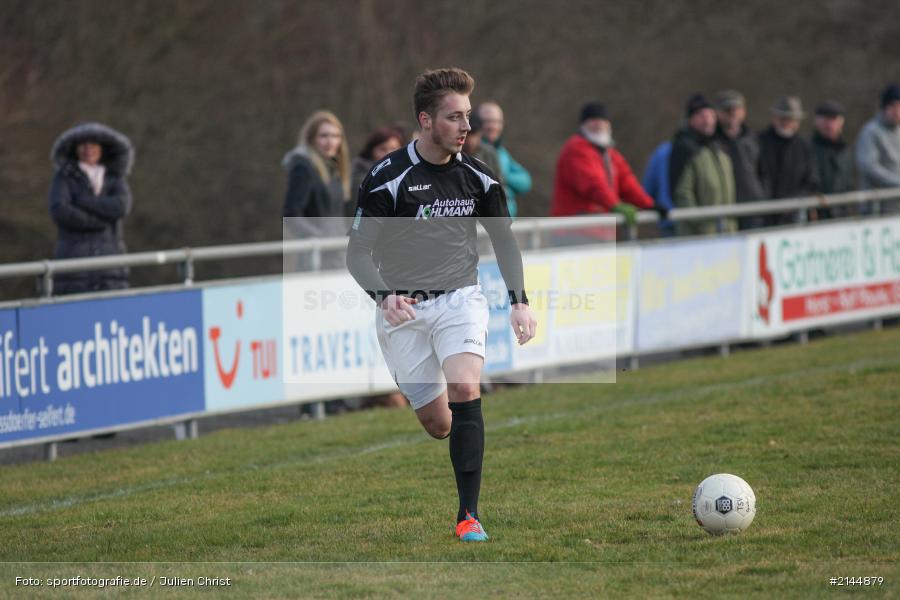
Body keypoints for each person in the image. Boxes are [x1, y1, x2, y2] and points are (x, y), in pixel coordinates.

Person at [347, 68, 537, 542]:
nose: (465, 126)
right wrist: (384, 295)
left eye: (468, 116)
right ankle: (462, 440)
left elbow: (505, 242)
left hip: (460, 298)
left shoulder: (478, 175)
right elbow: (356, 253)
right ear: (426, 121)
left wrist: (519, 302)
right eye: (454, 117)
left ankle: (468, 516)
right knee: (438, 424)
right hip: (403, 311)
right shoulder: (387, 177)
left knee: (464, 387)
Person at [48, 122, 134, 295]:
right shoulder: (64, 177)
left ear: (101, 149)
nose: (89, 150)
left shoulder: (113, 177)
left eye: (93, 145)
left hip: (111, 266)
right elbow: (60, 209)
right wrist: (99, 220)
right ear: (76, 149)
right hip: (73, 265)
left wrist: (83, 201)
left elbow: (121, 205)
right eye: (84, 145)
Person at [550, 102, 653, 236]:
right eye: (593, 120)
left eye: (602, 120)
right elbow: (593, 184)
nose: (598, 124)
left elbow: (627, 181)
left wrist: (649, 204)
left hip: (599, 230)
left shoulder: (609, 153)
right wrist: (615, 204)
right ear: (583, 125)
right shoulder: (575, 149)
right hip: (575, 231)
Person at [282, 110, 351, 270]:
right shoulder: (303, 168)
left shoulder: (335, 169)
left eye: (335, 136)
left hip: (339, 252)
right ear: (312, 139)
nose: (330, 142)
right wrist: (319, 239)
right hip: (316, 257)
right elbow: (292, 214)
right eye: (324, 136)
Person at [669, 94, 737, 236]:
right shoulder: (685, 149)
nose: (707, 120)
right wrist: (700, 224)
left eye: (710, 115)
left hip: (726, 231)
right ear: (691, 120)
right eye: (701, 115)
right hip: (700, 235)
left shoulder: (719, 148)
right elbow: (683, 193)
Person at [757, 96, 817, 226]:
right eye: (783, 118)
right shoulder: (759, 142)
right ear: (774, 118)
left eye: (791, 119)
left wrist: (793, 202)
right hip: (765, 215)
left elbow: (811, 180)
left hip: (793, 215)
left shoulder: (803, 146)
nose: (787, 123)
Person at [714, 90, 766, 229]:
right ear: (717, 113)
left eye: (736, 109)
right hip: (726, 213)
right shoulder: (712, 143)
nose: (732, 113)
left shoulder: (753, 140)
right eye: (727, 109)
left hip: (753, 210)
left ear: (743, 111)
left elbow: (764, 173)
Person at [476, 101, 532, 217]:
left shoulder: (501, 151)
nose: (493, 126)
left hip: (507, 221)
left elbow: (525, 182)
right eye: (487, 121)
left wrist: (502, 177)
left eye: (497, 122)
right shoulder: (472, 151)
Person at [856, 83, 900, 213]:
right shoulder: (870, 132)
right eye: (893, 106)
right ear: (885, 108)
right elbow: (869, 167)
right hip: (877, 209)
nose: (897, 112)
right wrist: (897, 183)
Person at [810, 100, 855, 219]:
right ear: (817, 122)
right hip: (817, 217)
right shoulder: (808, 148)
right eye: (825, 120)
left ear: (841, 123)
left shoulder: (844, 151)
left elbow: (847, 183)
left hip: (841, 215)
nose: (829, 125)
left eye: (833, 120)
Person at [351, 126, 405, 199]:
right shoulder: (362, 178)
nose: (388, 154)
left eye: (393, 148)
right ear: (371, 150)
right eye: (383, 149)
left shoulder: (407, 175)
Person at [642, 141, 674, 236]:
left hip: (667, 218)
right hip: (671, 221)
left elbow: (647, 189)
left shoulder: (662, 152)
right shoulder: (663, 153)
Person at [462, 110, 502, 180]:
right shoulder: (454, 154)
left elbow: (500, 180)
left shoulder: (489, 152)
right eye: (467, 136)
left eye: (475, 136)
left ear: (480, 134)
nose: (470, 141)